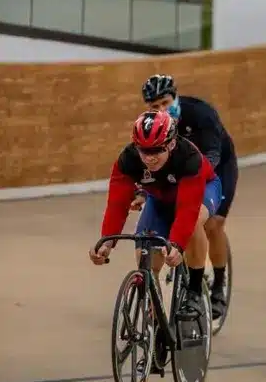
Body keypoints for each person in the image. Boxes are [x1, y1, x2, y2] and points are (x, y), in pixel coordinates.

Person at [90, 111, 222, 323]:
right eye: (144, 150)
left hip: (202, 190)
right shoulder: (128, 160)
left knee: (195, 221)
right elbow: (117, 203)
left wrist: (177, 245)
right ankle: (156, 322)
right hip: (161, 199)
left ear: (170, 144)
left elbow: (187, 209)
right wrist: (107, 241)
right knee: (146, 258)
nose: (149, 157)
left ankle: (195, 291)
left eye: (157, 150)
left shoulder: (189, 158)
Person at [137, 74, 238, 319]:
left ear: (176, 97)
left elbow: (211, 159)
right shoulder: (152, 126)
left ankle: (218, 285)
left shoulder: (201, 114)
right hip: (179, 172)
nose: (161, 110)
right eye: (154, 106)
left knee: (212, 224)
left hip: (216, 166)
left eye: (165, 102)